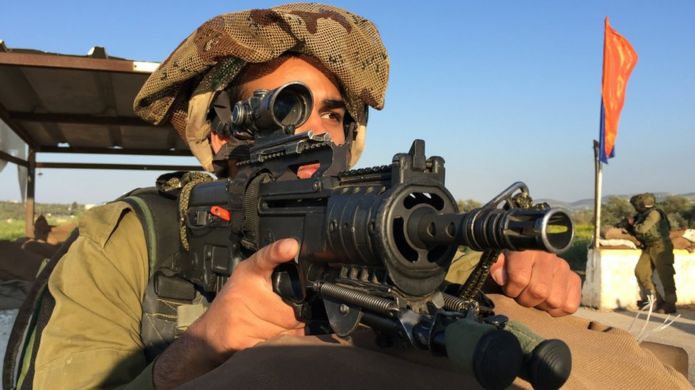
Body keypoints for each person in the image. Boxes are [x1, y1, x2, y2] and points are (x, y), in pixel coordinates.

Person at [25, 4, 689, 390]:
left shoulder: (371, 215)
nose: (316, 128)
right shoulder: (131, 242)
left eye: (334, 111)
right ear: (220, 130)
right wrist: (196, 351)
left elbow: (456, 255)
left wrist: (519, 262)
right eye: (285, 108)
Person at [626, 193, 678, 314]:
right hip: (649, 246)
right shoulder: (642, 215)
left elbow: (642, 229)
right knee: (641, 272)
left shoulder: (654, 214)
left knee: (666, 276)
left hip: (661, 246)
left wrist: (632, 224)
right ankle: (656, 300)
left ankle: (670, 304)